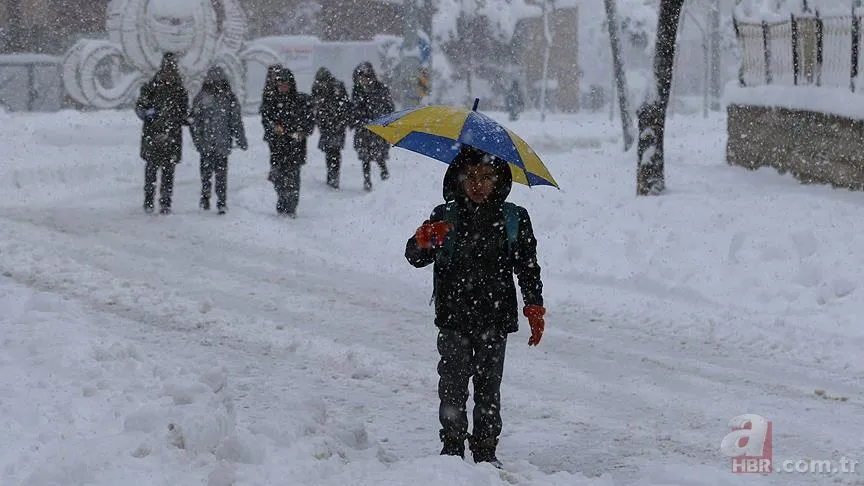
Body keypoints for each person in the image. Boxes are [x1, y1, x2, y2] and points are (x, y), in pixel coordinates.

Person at [404, 145, 546, 466]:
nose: (478, 184)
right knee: (452, 385)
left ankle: (485, 452)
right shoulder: (446, 216)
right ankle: (452, 449)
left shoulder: (513, 219)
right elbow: (415, 257)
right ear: (459, 178)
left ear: (500, 180)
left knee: (488, 388)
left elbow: (527, 266)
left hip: (495, 319)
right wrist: (424, 239)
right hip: (454, 316)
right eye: (471, 176)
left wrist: (534, 306)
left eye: (487, 177)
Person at [188, 65, 248, 214]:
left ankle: (221, 201)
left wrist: (240, 139)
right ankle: (205, 198)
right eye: (214, 81)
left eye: (219, 81)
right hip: (206, 144)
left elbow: (235, 121)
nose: (216, 84)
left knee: (221, 176)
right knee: (206, 175)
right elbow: (195, 122)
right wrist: (198, 140)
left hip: (222, 144)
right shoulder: (202, 98)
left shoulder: (229, 98)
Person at [135, 52, 189, 215]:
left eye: (170, 71)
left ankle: (165, 202)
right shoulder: (151, 87)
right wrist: (146, 112)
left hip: (171, 137)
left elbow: (183, 112)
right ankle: (149, 200)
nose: (168, 75)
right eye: (166, 70)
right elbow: (140, 107)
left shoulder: (180, 91)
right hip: (153, 135)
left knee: (168, 171)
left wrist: (186, 119)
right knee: (151, 170)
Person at [260, 66, 314, 217]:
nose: (283, 86)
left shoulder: (301, 101)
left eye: (286, 83)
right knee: (278, 176)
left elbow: (310, 122)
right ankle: (282, 199)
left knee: (293, 178)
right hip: (277, 146)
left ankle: (291, 206)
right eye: (280, 83)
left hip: (295, 146)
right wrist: (273, 128)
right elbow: (266, 119)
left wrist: (302, 132)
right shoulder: (271, 101)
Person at [350, 61, 394, 191]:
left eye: (365, 77)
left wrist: (381, 120)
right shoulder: (357, 91)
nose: (363, 80)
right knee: (365, 157)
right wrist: (358, 120)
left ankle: (384, 175)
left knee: (379, 155)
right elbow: (354, 109)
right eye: (361, 77)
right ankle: (367, 180)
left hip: (378, 128)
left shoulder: (381, 89)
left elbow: (388, 107)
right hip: (363, 129)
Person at [311, 67, 351, 189]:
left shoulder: (337, 87)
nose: (321, 83)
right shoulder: (317, 87)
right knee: (329, 151)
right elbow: (315, 104)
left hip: (337, 124)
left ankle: (334, 176)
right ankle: (331, 174)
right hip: (325, 124)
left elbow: (344, 105)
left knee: (335, 151)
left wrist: (342, 120)